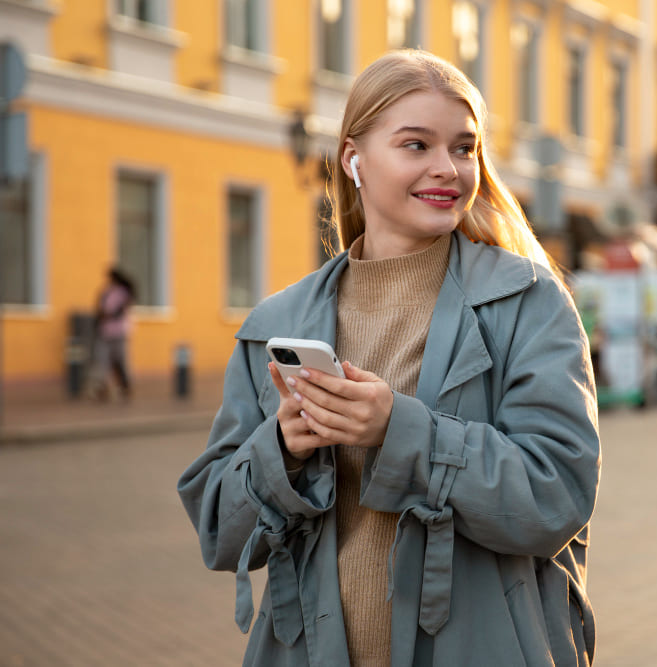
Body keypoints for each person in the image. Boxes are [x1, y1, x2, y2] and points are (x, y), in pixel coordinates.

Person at [178, 49, 600, 667]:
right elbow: (218, 529)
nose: (448, 169)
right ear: (353, 159)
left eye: (463, 147)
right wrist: (282, 448)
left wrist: (398, 431)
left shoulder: (529, 303)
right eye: (415, 145)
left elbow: (556, 495)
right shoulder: (276, 325)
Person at [91, 267, 134, 401]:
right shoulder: (106, 292)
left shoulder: (123, 292)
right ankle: (102, 387)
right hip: (104, 331)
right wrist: (100, 318)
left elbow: (121, 310)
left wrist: (107, 315)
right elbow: (99, 308)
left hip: (119, 331)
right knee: (102, 360)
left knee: (119, 360)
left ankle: (125, 385)